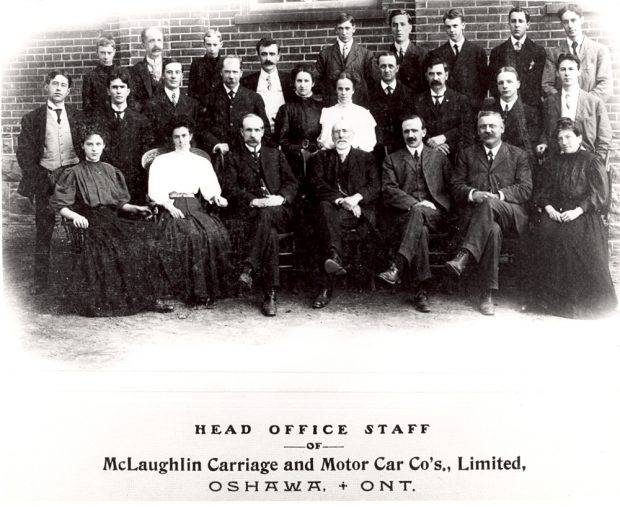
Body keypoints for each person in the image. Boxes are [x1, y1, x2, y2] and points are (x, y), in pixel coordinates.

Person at [51, 124, 174, 317]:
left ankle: (149, 297)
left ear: (104, 146)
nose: (94, 148)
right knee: (113, 245)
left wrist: (136, 208)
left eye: (98, 144)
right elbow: (61, 206)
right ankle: (116, 300)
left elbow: (120, 204)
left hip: (112, 218)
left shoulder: (110, 170)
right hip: (90, 220)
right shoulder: (74, 172)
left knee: (147, 237)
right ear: (82, 147)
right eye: (89, 144)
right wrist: (76, 216)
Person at [445, 111, 532, 316]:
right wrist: (473, 194)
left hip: (511, 214)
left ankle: (464, 255)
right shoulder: (467, 154)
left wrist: (499, 195)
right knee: (492, 230)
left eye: (492, 126)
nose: (488, 130)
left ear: (502, 128)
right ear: (477, 130)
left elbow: (525, 188)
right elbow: (455, 185)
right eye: (483, 126)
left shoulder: (518, 155)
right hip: (478, 218)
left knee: (490, 204)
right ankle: (487, 294)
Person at [528, 118, 616, 318]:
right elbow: (541, 191)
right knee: (543, 234)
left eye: (568, 137)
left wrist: (577, 210)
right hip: (556, 212)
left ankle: (575, 303)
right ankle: (547, 301)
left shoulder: (591, 161)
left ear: (579, 137)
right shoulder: (552, 163)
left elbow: (599, 195)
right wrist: (549, 209)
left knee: (570, 238)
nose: (564, 142)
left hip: (583, 214)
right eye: (560, 138)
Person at [148, 117, 231, 308]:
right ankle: (194, 292)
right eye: (176, 137)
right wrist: (168, 205)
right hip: (171, 205)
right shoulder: (161, 161)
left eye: (184, 136)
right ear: (172, 139)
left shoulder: (200, 162)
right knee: (189, 235)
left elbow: (209, 189)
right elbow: (155, 190)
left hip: (194, 205)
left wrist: (215, 197)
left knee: (213, 233)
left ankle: (208, 290)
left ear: (191, 136)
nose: (181, 140)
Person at [223, 114, 298, 317]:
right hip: (250, 214)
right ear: (241, 132)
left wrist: (281, 198)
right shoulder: (233, 157)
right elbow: (229, 188)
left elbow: (292, 183)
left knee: (267, 216)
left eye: (257, 130)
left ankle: (249, 267)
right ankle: (270, 294)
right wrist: (252, 200)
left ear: (263, 132)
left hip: (279, 211)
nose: (253, 134)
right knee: (270, 234)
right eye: (249, 130)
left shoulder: (275, 154)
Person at [16, 70, 83, 294]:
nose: (58, 88)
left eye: (63, 85)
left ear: (69, 91)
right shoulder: (32, 118)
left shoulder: (78, 116)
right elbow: (24, 154)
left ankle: (78, 280)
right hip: (45, 177)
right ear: (47, 86)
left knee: (78, 227)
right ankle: (40, 282)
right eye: (54, 83)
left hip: (72, 178)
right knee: (44, 229)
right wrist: (37, 180)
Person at [377, 116, 452, 312]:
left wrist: (436, 206)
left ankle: (397, 267)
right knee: (422, 232)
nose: (410, 135)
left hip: (435, 214)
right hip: (404, 215)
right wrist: (416, 203)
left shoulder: (439, 157)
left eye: (414, 131)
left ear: (424, 132)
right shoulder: (392, 159)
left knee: (420, 217)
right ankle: (422, 291)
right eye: (406, 131)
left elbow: (452, 187)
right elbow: (389, 190)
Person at [308, 119, 380, 309]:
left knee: (325, 223)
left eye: (345, 131)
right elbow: (316, 185)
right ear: (331, 137)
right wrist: (341, 201)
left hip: (359, 213)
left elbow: (375, 186)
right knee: (324, 210)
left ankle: (329, 276)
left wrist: (356, 198)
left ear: (352, 135)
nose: (341, 135)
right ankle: (332, 265)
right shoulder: (320, 158)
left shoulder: (366, 158)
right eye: (337, 132)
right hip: (333, 211)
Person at [94, 68, 154, 204]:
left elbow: (146, 154)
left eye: (122, 87)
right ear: (108, 91)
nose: (119, 91)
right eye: (114, 87)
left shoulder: (141, 120)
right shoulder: (98, 119)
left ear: (128, 91)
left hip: (134, 183)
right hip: (107, 180)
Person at [537, 53, 612, 160]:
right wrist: (543, 143)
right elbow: (544, 130)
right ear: (557, 73)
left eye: (571, 69)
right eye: (563, 69)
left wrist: (597, 160)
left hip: (586, 160)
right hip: (557, 160)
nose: (567, 73)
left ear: (579, 72)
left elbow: (604, 137)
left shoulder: (594, 103)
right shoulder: (549, 102)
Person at [197, 56, 272, 156]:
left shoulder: (254, 98)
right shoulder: (209, 98)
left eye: (235, 72)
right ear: (221, 72)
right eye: (227, 72)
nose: (231, 76)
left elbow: (265, 130)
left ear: (241, 73)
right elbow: (202, 129)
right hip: (219, 156)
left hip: (246, 156)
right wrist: (216, 144)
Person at [542, 3, 612, 101]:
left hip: (590, 112)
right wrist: (565, 100)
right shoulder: (554, 54)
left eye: (573, 20)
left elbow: (605, 85)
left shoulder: (599, 51)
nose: (570, 25)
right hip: (564, 111)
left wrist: (583, 103)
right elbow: (547, 85)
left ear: (581, 20)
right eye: (566, 22)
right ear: (562, 24)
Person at [413, 55, 473, 164]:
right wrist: (429, 141)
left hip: (453, 156)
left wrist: (445, 137)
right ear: (426, 76)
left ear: (446, 75)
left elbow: (467, 128)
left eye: (439, 74)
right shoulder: (416, 101)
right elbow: (413, 127)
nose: (435, 78)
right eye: (431, 74)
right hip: (424, 156)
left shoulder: (461, 100)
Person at [488, 7, 546, 111]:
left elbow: (540, 83)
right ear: (509, 24)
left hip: (531, 109)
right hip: (505, 107)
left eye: (521, 21)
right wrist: (506, 101)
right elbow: (492, 83)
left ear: (527, 24)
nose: (517, 25)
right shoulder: (497, 52)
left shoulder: (538, 52)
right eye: (513, 21)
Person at [430, 9, 488, 111]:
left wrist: (475, 106)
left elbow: (484, 84)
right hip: (446, 109)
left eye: (455, 26)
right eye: (448, 27)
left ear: (463, 25)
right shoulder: (437, 54)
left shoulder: (477, 52)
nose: (452, 30)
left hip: (470, 108)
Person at [315, 13, 378, 107]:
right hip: (332, 105)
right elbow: (316, 81)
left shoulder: (365, 54)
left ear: (354, 29)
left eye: (347, 28)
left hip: (358, 105)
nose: (344, 32)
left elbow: (374, 82)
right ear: (336, 30)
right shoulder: (325, 54)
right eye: (341, 28)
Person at [274, 64, 323, 182]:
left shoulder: (322, 107)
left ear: (313, 83)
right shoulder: (286, 109)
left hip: (317, 156)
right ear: (294, 83)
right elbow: (282, 140)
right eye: (299, 81)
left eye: (306, 81)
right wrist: (299, 150)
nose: (302, 85)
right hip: (293, 159)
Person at [483, 66, 540, 162]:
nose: (505, 86)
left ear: (518, 84)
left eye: (509, 82)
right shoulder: (488, 110)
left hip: (519, 164)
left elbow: (530, 146)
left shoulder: (530, 112)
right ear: (497, 86)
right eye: (501, 83)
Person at [142, 59, 200, 147]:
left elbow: (196, 135)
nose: (173, 76)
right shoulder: (151, 104)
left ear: (182, 76)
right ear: (163, 75)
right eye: (169, 72)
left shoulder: (192, 103)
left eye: (177, 72)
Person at [241, 37, 294, 133]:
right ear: (258, 57)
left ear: (278, 56)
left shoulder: (289, 81)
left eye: (272, 54)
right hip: (258, 135)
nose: (268, 58)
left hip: (285, 135)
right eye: (264, 54)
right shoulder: (247, 82)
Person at [368, 52, 415, 157]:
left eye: (391, 66)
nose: (387, 70)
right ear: (378, 68)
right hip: (377, 150)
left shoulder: (408, 93)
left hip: (402, 149)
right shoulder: (369, 93)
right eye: (383, 66)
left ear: (397, 68)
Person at [317, 73, 376, 153]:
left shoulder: (363, 113)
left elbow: (369, 143)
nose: (343, 93)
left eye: (347, 89)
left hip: (357, 159)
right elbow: (325, 142)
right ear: (336, 90)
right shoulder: (328, 113)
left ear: (353, 90)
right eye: (340, 89)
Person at [82, 37, 135, 114]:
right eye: (102, 52)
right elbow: (87, 106)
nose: (106, 57)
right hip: (99, 119)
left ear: (114, 52)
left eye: (109, 53)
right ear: (97, 52)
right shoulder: (90, 76)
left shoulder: (124, 73)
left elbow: (131, 99)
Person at [387, 9, 428, 95]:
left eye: (402, 24)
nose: (399, 29)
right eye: (395, 25)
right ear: (391, 28)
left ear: (410, 28)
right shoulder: (385, 56)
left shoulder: (423, 54)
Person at [130, 26, 165, 111]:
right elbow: (132, 101)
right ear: (143, 45)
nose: (156, 44)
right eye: (151, 41)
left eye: (159, 40)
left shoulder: (172, 66)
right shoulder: (134, 71)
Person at [188, 28, 224, 103]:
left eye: (215, 45)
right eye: (209, 45)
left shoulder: (226, 64)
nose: (212, 49)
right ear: (204, 44)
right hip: (202, 109)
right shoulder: (196, 64)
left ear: (221, 44)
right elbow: (191, 91)